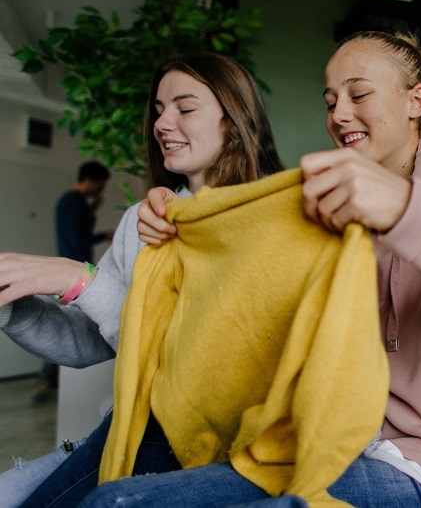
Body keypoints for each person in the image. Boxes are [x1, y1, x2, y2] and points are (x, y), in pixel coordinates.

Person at [113, 30, 421, 507]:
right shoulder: (336, 217)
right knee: (113, 500)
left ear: (415, 101)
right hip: (349, 450)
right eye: (330, 101)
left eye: (359, 94)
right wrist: (184, 224)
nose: (338, 115)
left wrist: (408, 211)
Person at [0, 52, 284, 506]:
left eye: (184, 108)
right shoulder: (140, 220)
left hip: (213, 449)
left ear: (234, 121)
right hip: (125, 430)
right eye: (158, 110)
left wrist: (81, 279)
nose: (162, 123)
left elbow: (192, 365)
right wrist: (10, 300)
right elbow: (89, 342)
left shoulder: (275, 223)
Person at [33, 161, 113, 402]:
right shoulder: (73, 202)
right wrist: (103, 235)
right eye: (100, 185)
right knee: (71, 327)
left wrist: (94, 210)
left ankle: (48, 382)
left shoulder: (70, 202)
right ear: (90, 179)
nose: (100, 190)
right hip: (75, 275)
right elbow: (79, 239)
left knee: (69, 325)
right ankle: (46, 381)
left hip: (72, 273)